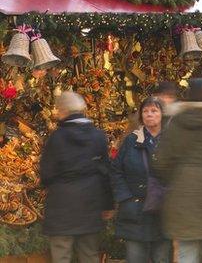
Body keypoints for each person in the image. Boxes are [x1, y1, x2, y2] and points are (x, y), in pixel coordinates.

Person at [153, 78, 202, 263]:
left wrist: (175, 180)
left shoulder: (174, 124)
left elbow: (160, 163)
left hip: (182, 197)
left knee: (186, 254)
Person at [40, 92, 113, 263]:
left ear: (64, 111)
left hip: (61, 205)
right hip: (90, 203)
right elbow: (105, 172)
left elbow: (46, 174)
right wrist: (108, 204)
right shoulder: (98, 136)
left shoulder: (56, 138)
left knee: (61, 255)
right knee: (89, 254)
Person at [110, 97, 171, 263]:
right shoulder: (131, 141)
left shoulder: (171, 141)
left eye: (154, 111)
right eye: (145, 111)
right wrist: (126, 197)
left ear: (162, 114)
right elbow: (116, 170)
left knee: (161, 258)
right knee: (135, 257)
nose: (149, 114)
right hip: (135, 211)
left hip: (163, 212)